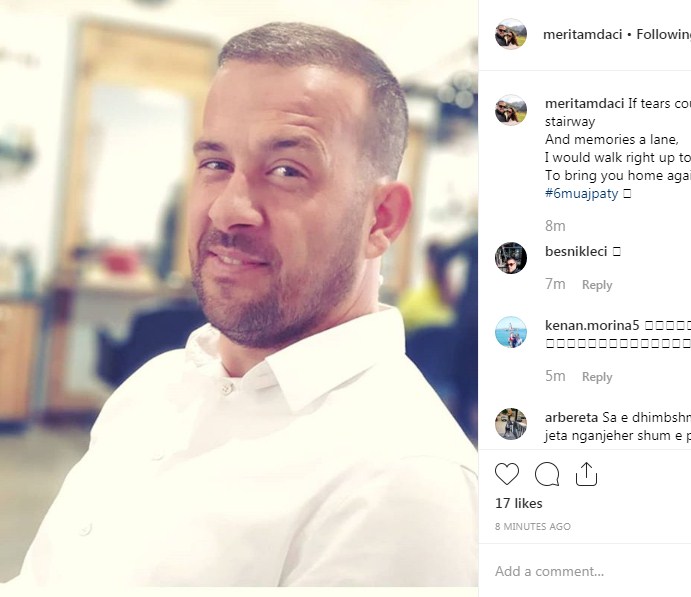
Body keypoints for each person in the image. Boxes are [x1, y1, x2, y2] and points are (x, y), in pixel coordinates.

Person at [9, 22, 477, 588]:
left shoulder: (401, 481)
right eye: (216, 163)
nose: (228, 208)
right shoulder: (157, 385)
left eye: (287, 171)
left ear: (381, 219)